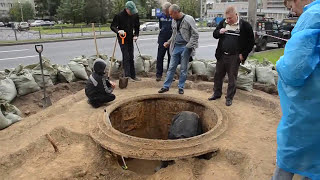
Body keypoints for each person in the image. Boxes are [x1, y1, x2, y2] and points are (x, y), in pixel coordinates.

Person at [272, 0, 320, 179]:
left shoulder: (313, 16)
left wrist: (279, 64)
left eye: (290, 6)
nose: (293, 11)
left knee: (289, 157)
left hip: (307, 109)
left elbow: (293, 70)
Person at [208, 6, 254, 106]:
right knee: (218, 75)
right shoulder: (223, 23)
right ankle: (217, 93)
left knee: (232, 78)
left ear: (236, 15)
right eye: (227, 18)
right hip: (222, 55)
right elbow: (215, 35)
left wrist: (243, 55)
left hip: (234, 57)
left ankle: (229, 98)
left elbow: (251, 42)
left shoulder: (245, 26)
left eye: (230, 18)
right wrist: (219, 32)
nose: (228, 20)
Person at [158, 4, 199, 95]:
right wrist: (168, 42)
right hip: (176, 46)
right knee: (171, 67)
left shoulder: (189, 19)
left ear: (176, 12)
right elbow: (174, 34)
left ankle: (181, 87)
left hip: (186, 46)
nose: (170, 16)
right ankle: (166, 86)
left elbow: (195, 35)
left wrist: (188, 46)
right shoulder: (174, 20)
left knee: (183, 68)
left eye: (171, 14)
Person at [110, 1, 141, 82]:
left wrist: (136, 35)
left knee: (131, 56)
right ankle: (127, 77)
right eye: (131, 11)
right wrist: (118, 31)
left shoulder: (135, 15)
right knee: (126, 56)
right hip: (122, 38)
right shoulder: (119, 16)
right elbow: (112, 26)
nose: (132, 13)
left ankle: (133, 76)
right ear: (127, 9)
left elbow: (137, 26)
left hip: (130, 37)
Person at [156, 2, 173, 82]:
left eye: (165, 10)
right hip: (162, 39)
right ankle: (159, 75)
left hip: (171, 39)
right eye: (163, 10)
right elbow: (160, 26)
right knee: (160, 57)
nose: (163, 11)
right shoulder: (160, 17)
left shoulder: (173, 17)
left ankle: (170, 75)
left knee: (171, 58)